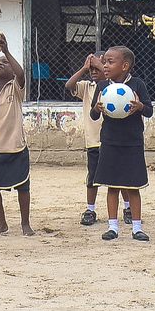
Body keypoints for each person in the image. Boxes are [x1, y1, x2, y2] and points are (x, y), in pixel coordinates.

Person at [89, 47, 154, 242]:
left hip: (132, 142)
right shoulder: (102, 87)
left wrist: (140, 106)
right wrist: (97, 108)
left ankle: (137, 228)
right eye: (104, 62)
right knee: (112, 186)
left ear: (125, 66)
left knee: (133, 186)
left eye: (110, 62)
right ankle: (113, 227)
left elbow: (149, 111)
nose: (105, 66)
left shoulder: (137, 84)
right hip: (110, 141)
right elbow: (93, 115)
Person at [0, 35, 33, 236]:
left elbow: (21, 74)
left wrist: (6, 52)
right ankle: (1, 223)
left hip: (16, 146)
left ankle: (25, 223)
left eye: (4, 63)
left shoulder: (16, 87)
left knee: (23, 187)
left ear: (12, 70)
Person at [65, 52, 107, 226]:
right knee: (92, 178)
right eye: (92, 69)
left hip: (112, 140)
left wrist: (99, 64)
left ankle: (127, 208)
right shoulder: (87, 87)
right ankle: (90, 209)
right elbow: (69, 85)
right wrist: (84, 68)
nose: (94, 71)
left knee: (119, 179)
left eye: (97, 67)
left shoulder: (113, 86)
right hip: (93, 141)